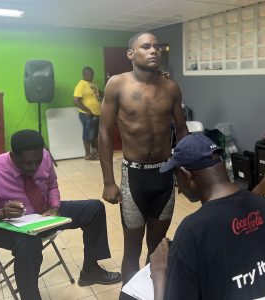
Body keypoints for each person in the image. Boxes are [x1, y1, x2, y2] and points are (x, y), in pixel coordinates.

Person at [0, 130, 121, 300]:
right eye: (27, 163)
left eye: (37, 161)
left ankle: (91, 271)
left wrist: (55, 207)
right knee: (29, 243)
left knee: (94, 208)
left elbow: (52, 186)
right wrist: (1, 213)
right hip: (3, 226)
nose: (33, 167)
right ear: (13, 156)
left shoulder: (45, 156)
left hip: (43, 214)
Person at [149, 134, 265, 300]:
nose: (178, 188)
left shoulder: (192, 232)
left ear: (186, 175)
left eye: (176, 177)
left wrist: (159, 273)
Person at [99, 31, 189, 284]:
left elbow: (181, 129)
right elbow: (104, 131)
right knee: (132, 250)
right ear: (131, 54)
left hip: (164, 174)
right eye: (146, 47)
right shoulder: (117, 84)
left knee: (157, 248)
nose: (154, 51)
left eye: (157, 47)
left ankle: (152, 291)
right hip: (133, 177)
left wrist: (185, 169)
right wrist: (108, 181)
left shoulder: (171, 87)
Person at [74, 66, 102, 160]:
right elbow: (76, 100)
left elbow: (97, 93)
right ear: (84, 74)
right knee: (88, 134)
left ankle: (95, 153)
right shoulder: (81, 84)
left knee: (95, 134)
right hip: (87, 114)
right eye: (90, 74)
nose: (92, 76)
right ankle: (88, 154)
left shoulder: (93, 83)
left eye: (93, 74)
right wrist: (87, 110)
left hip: (97, 113)